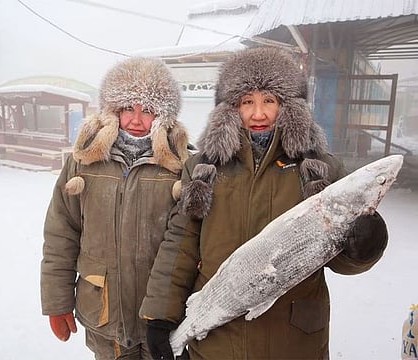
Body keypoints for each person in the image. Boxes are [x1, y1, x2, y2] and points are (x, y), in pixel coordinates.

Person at [140, 47, 389, 360]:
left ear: (289, 106)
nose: (258, 114)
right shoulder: (205, 168)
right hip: (218, 337)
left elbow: (338, 259)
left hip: (293, 340)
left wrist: (363, 246)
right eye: (247, 102)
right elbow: (182, 242)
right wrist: (161, 315)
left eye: (269, 101)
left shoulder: (320, 169)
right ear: (231, 108)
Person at [40, 57, 190, 359]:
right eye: (127, 109)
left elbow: (194, 245)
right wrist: (57, 302)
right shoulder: (83, 162)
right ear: (112, 111)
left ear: (163, 116)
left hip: (163, 319)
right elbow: (61, 234)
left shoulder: (182, 166)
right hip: (103, 315)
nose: (136, 120)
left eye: (147, 110)